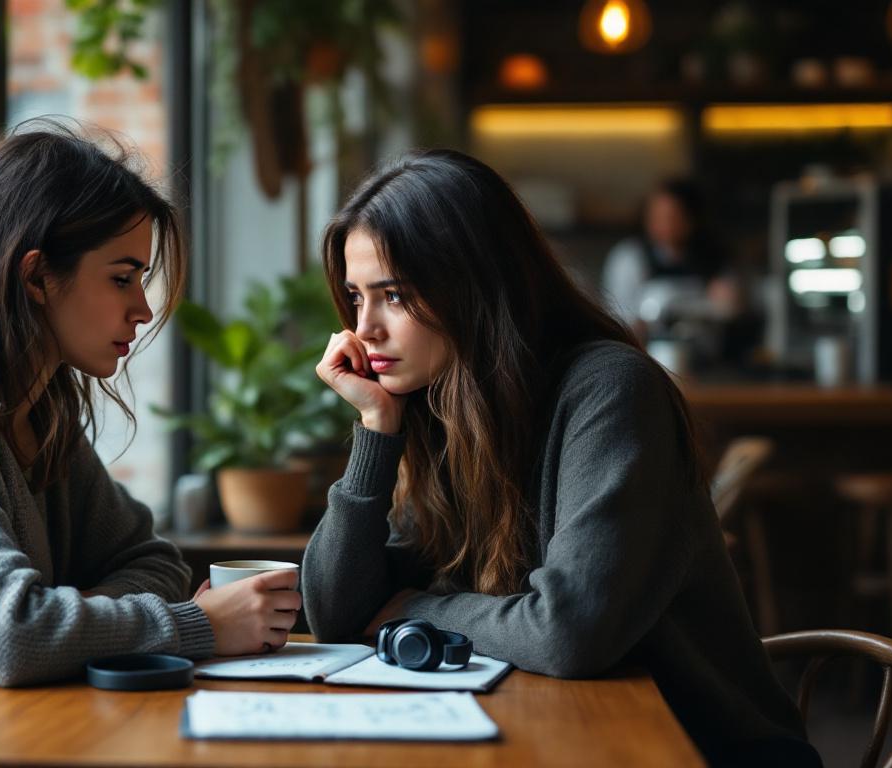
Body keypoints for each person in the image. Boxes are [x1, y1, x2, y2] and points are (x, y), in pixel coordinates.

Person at [301, 150, 819, 766]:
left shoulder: (610, 391)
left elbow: (568, 633)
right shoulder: (438, 403)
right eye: (358, 298)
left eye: (394, 295)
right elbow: (336, 615)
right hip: (554, 730)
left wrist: (415, 608)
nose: (366, 329)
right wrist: (375, 431)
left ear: (473, 282)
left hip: (702, 747)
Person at [0, 121, 300, 768]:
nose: (143, 310)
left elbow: (152, 559)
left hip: (24, 734)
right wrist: (200, 626)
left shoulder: (36, 415)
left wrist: (68, 622)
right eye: (123, 278)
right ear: (37, 277)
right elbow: (5, 636)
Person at [602, 179, 742, 342]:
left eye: (671, 216)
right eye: (656, 216)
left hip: (704, 352)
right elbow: (618, 314)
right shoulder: (630, 256)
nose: (661, 224)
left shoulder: (713, 256)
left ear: (691, 219)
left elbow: (731, 307)